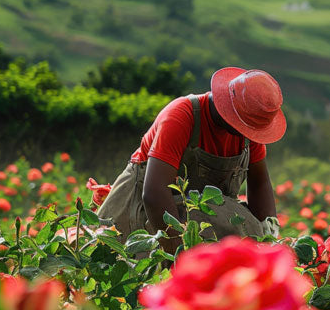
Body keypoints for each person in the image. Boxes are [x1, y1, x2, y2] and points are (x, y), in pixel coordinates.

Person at [97, 67, 286, 252]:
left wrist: (269, 236)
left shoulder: (247, 134)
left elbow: (260, 184)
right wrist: (179, 253)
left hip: (197, 222)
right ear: (229, 111)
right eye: (247, 128)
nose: (250, 134)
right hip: (143, 213)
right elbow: (155, 192)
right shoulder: (182, 116)